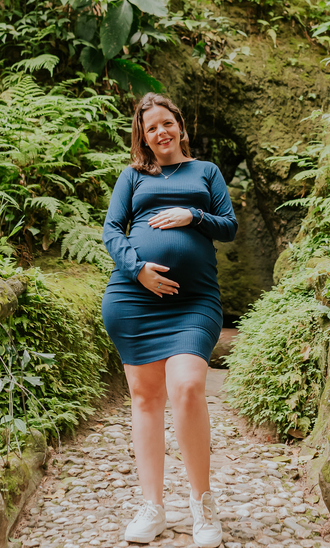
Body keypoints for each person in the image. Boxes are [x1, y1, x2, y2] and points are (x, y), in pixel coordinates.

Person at [101, 92, 238, 547]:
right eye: (150, 128)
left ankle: (203, 505)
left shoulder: (207, 172)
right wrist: (137, 269)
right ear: (143, 137)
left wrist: (193, 215)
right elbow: (111, 230)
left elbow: (229, 225)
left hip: (194, 301)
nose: (160, 132)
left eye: (166, 123)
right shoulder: (133, 176)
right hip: (133, 299)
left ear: (179, 125)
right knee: (144, 398)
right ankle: (152, 506)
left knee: (185, 386)